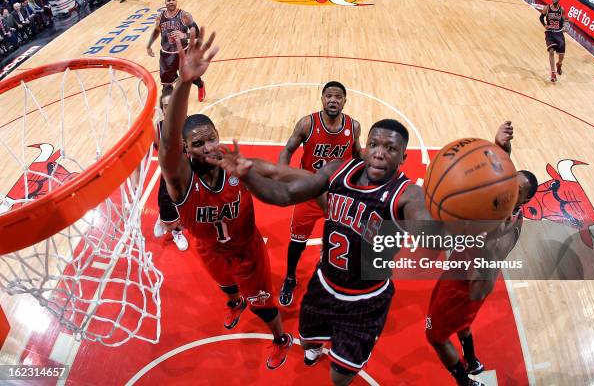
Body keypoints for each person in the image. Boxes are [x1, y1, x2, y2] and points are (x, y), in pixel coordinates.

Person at [212, 117, 450, 386]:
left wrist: (449, 217)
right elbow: (284, 194)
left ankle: (353, 350)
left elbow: (431, 236)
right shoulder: (338, 171)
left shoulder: (407, 195)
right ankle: (314, 349)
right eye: (374, 144)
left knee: (339, 378)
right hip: (323, 284)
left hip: (365, 299)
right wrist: (248, 176)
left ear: (404, 157)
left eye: (390, 149)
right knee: (308, 339)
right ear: (364, 148)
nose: (379, 153)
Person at [158, 28, 292, 370]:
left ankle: (280, 337)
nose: (208, 148)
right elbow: (169, 140)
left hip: (246, 249)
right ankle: (234, 302)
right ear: (186, 150)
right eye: (198, 144)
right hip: (209, 249)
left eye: (211, 139)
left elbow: (278, 181)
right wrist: (185, 82)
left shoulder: (236, 164)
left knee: (263, 304)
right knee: (227, 287)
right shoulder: (179, 178)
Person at [425, 122, 539, 386]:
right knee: (462, 325)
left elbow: (491, 241)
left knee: (435, 337)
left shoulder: (509, 227)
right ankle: (473, 360)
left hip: (465, 287)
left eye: (516, 189)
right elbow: (498, 181)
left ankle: (465, 383)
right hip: (460, 274)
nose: (508, 188)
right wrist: (501, 149)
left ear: (524, 201)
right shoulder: (503, 201)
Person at [276, 81, 362, 306]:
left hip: (338, 195)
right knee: (297, 242)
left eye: (338, 97)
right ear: (322, 99)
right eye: (329, 96)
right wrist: (282, 173)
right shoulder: (307, 123)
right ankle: (290, 277)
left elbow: (358, 155)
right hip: (310, 193)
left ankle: (340, 280)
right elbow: (287, 150)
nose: (333, 100)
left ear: (345, 101)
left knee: (344, 240)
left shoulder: (353, 127)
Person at [146, 0, 206, 101]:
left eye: (173, 0)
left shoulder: (184, 15)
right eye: (168, 0)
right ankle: (169, 109)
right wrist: (149, 45)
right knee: (166, 85)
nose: (171, 2)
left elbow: (197, 34)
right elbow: (156, 31)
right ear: (165, 3)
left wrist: (184, 35)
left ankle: (201, 85)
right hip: (166, 55)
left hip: (183, 52)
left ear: (176, 1)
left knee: (192, 77)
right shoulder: (160, 17)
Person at [152, 93, 189, 251]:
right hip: (169, 175)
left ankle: (172, 224)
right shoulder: (158, 128)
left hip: (188, 173)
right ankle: (173, 229)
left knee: (186, 207)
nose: (170, 108)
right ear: (163, 110)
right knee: (167, 203)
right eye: (166, 106)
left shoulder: (189, 124)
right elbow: (156, 149)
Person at [540, 0, 566, 82]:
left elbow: (564, 20)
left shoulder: (561, 9)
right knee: (551, 51)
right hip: (550, 33)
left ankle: (559, 64)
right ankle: (553, 73)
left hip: (559, 33)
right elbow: (541, 17)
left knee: (561, 55)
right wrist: (544, 25)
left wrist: (564, 26)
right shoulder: (547, 8)